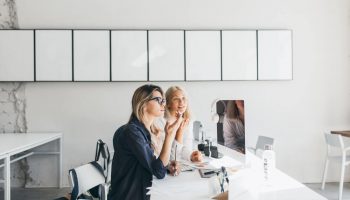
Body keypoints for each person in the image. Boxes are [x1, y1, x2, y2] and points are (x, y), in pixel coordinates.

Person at [108, 84, 182, 200]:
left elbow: (153, 165)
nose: (163, 103)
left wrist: (167, 166)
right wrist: (170, 135)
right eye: (158, 100)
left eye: (163, 100)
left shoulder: (140, 131)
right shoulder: (132, 133)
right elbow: (158, 171)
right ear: (143, 104)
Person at [151, 86, 203, 162]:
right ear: (168, 104)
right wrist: (180, 133)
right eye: (176, 99)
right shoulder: (160, 122)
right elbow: (171, 158)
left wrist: (191, 155)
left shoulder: (187, 120)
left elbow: (185, 147)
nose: (181, 102)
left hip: (181, 165)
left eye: (183, 98)